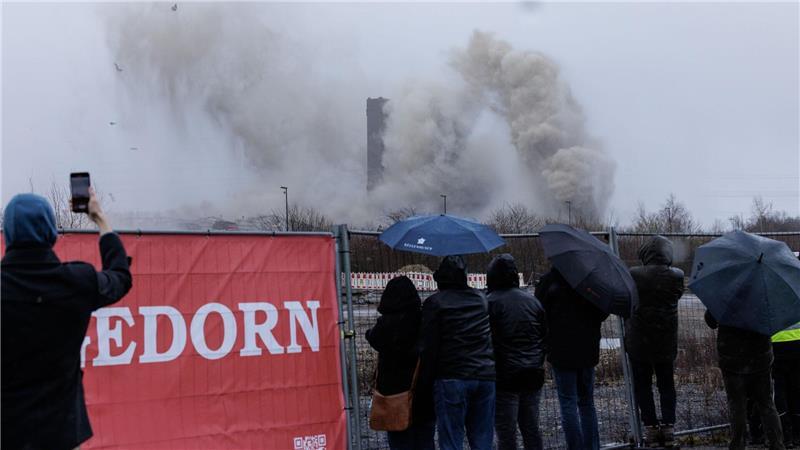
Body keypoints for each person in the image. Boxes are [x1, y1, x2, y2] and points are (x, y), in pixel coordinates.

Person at [1, 189, 132, 450]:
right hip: (60, 434)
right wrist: (100, 219)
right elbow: (120, 276)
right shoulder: (77, 281)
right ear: (50, 233)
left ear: (8, 235)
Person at [418, 255, 496, 450]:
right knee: (482, 438)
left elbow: (428, 347)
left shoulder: (434, 303)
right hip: (485, 375)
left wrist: (424, 383)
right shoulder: (481, 299)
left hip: (451, 376)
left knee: (452, 439)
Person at [535, 267, 608, 450]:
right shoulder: (590, 281)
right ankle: (592, 446)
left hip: (561, 351)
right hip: (587, 350)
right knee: (587, 403)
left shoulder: (549, 281)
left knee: (568, 403)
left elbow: (538, 313)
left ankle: (575, 446)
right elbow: (602, 312)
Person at [624, 236, 684, 447]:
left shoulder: (633, 274)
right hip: (666, 340)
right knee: (666, 385)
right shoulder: (677, 276)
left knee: (643, 386)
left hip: (639, 340)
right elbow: (676, 296)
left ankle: (650, 427)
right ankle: (668, 427)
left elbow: (628, 299)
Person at [365, 276, 435, 450]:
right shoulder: (423, 320)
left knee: (399, 440)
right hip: (422, 392)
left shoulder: (384, 324)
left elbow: (373, 338)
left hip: (393, 394)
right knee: (425, 439)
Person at [487, 254, 547, 450]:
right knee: (531, 428)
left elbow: (487, 341)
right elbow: (544, 337)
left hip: (505, 377)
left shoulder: (490, 303)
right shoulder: (533, 302)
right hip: (533, 374)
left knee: (506, 432)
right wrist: (537, 361)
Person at [705, 310, 785, 450]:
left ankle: (738, 445)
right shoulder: (762, 297)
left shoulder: (726, 296)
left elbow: (710, 321)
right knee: (766, 404)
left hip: (732, 359)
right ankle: (777, 444)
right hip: (760, 358)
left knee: (737, 405)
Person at [772, 321, 800, 448]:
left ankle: (785, 435)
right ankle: (797, 434)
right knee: (796, 391)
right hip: (798, 345)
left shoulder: (768, 300)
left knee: (780, 390)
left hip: (776, 347)